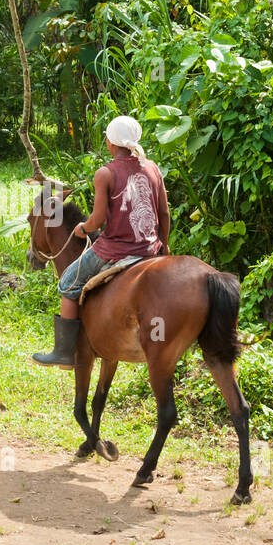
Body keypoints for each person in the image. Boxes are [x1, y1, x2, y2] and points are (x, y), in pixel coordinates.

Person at [32, 115, 170, 368]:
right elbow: (164, 214)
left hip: (115, 250)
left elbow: (96, 220)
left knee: (67, 283)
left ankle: (64, 352)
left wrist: (83, 228)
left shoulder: (105, 173)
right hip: (150, 247)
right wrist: (164, 244)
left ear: (110, 142)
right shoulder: (152, 168)